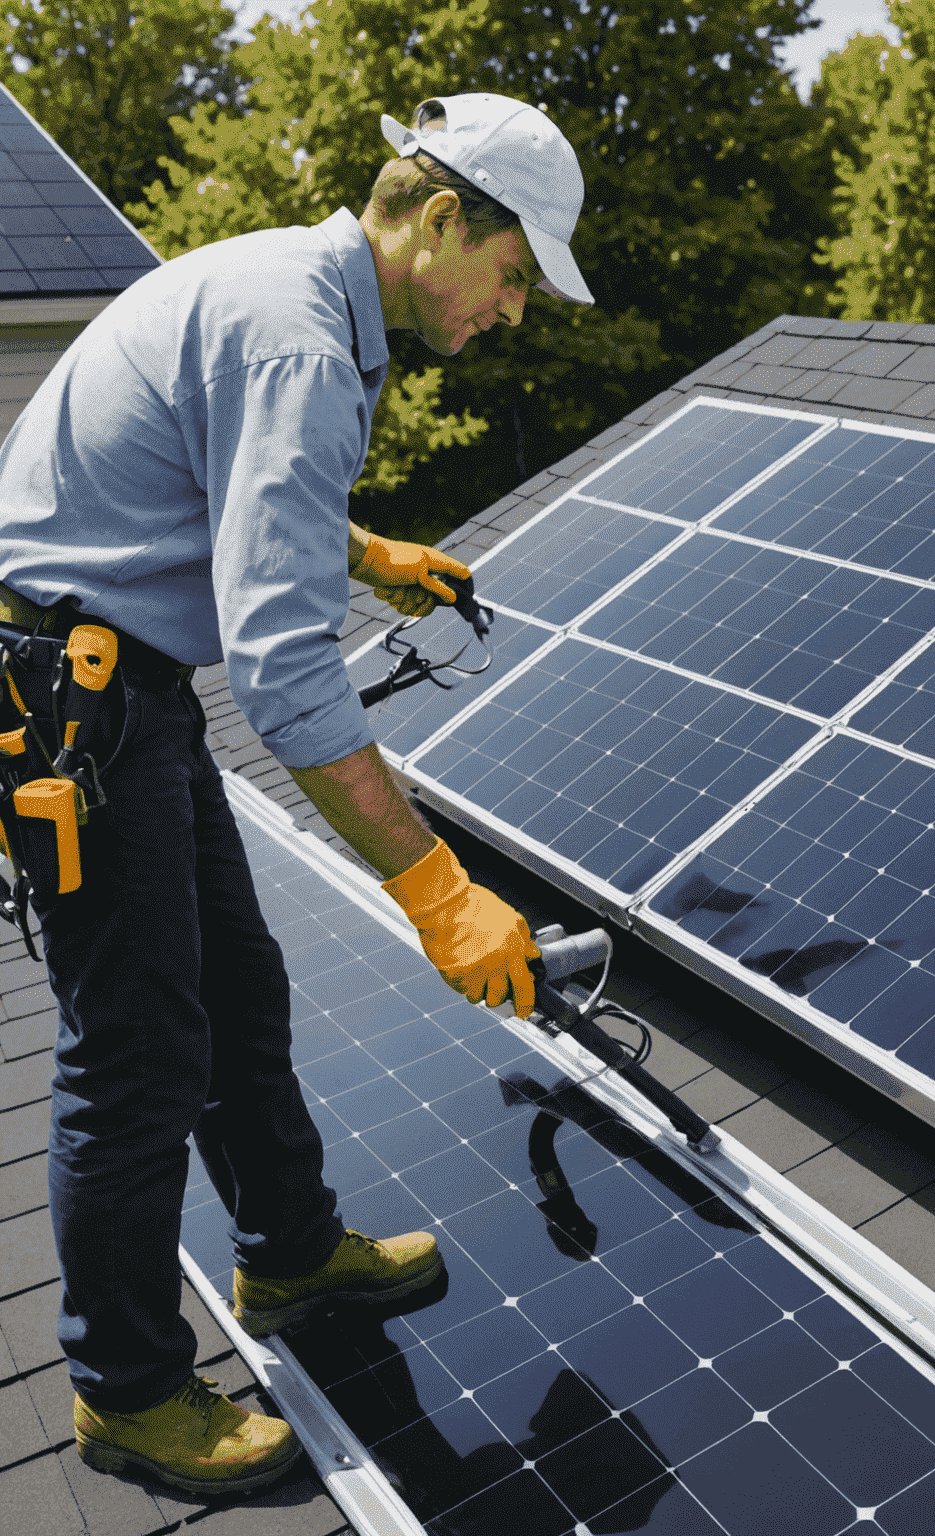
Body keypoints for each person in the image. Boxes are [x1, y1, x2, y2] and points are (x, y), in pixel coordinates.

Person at [0, 93, 594, 1497]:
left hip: (115, 685)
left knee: (236, 991)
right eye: (513, 274)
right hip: (74, 698)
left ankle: (287, 1250)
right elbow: (280, 675)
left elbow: (233, 494)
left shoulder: (296, 293)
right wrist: (436, 891)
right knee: (135, 1051)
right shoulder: (300, 338)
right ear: (442, 220)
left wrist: (364, 552)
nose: (513, 309)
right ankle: (130, 1392)